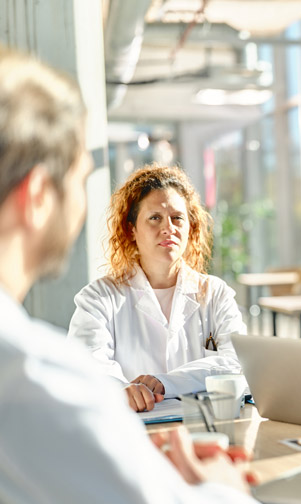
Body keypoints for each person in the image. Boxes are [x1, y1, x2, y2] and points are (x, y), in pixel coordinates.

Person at [0, 46, 297, 504]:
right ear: (37, 196)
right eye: (80, 178)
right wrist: (225, 493)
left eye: (176, 217)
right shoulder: (31, 381)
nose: (167, 229)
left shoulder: (27, 377)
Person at [68, 164, 246, 412]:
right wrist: (122, 390)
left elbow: (239, 362)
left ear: (190, 227)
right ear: (131, 229)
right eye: (155, 218)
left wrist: (165, 383)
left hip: (202, 426)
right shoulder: (98, 298)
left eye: (177, 218)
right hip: (131, 427)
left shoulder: (216, 293)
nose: (168, 228)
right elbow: (85, 365)